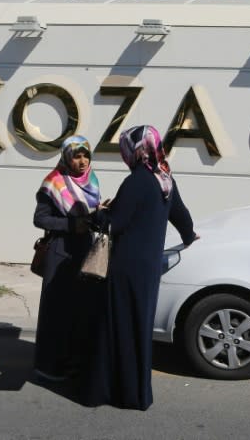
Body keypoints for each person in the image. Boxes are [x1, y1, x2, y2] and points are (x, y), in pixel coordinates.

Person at [81, 125, 198, 410]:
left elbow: (114, 224)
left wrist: (97, 215)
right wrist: (189, 236)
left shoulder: (136, 181)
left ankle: (113, 392)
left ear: (135, 150)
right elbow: (181, 215)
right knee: (139, 327)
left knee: (118, 326)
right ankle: (137, 393)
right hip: (148, 268)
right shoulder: (165, 178)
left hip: (125, 265)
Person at [33, 135, 101, 381]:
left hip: (83, 250)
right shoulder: (53, 183)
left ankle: (73, 360)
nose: (82, 161)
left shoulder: (91, 179)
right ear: (66, 157)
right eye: (77, 156)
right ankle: (48, 364)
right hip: (60, 251)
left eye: (86, 155)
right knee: (56, 310)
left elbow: (89, 213)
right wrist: (72, 225)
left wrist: (101, 213)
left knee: (79, 310)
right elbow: (40, 219)